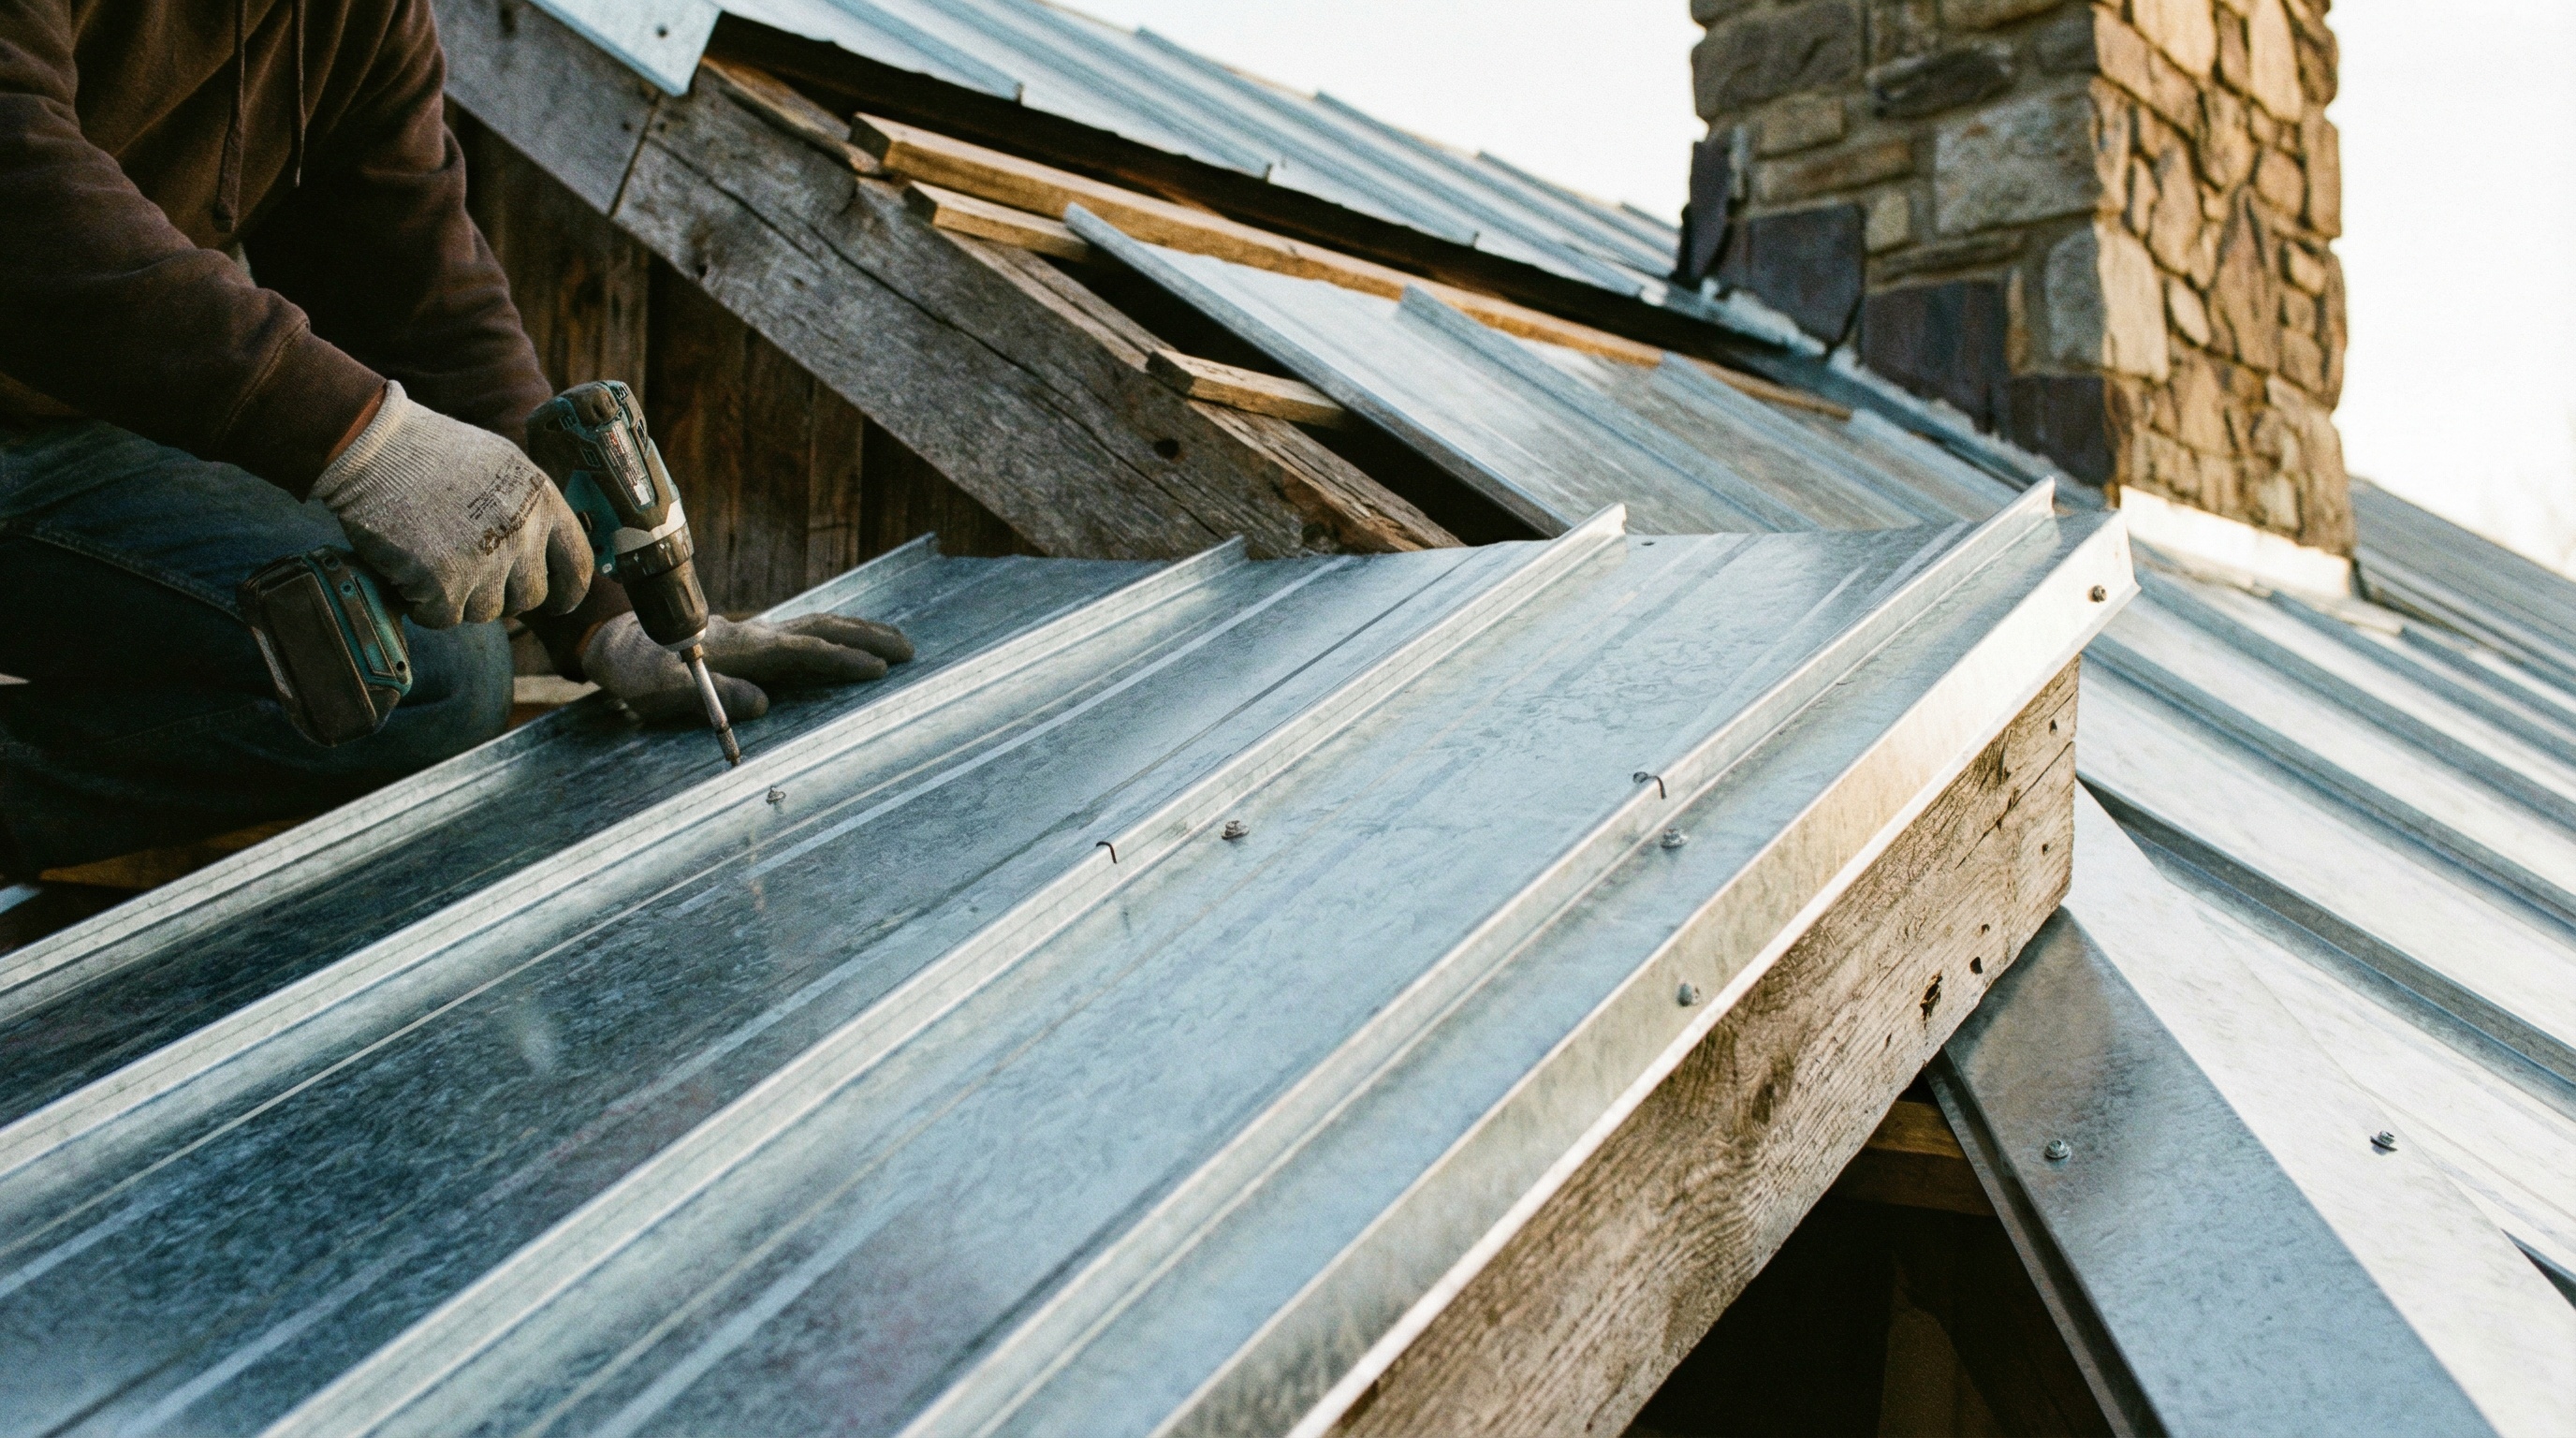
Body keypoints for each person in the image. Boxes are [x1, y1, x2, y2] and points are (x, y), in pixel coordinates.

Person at [0, 0, 912, 876]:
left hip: (69, 423)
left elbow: (412, 279)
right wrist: (360, 438)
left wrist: (607, 614)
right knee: (414, 670)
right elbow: (19, 184)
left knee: (400, 673)